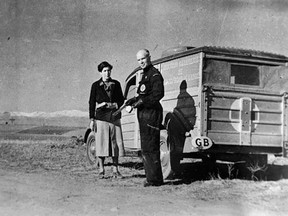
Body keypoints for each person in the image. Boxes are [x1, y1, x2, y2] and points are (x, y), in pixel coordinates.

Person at [126, 49, 164, 187]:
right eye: (138, 60)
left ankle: (154, 180)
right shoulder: (145, 75)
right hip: (144, 115)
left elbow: (158, 94)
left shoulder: (154, 75)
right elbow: (144, 94)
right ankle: (151, 178)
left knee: (151, 147)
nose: (141, 62)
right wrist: (134, 100)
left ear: (149, 57)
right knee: (146, 148)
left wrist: (141, 102)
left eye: (143, 59)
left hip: (151, 115)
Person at [89, 61, 125, 179]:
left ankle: (115, 170)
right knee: (101, 144)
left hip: (114, 116)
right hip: (101, 117)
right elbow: (91, 102)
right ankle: (101, 170)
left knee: (115, 144)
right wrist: (92, 119)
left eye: (109, 70)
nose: (107, 73)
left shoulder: (117, 84)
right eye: (104, 71)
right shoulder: (95, 85)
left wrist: (115, 105)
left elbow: (121, 100)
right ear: (100, 72)